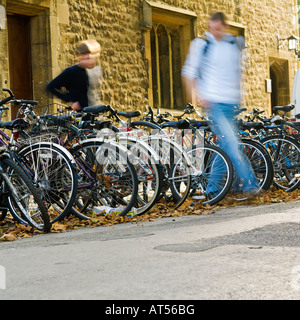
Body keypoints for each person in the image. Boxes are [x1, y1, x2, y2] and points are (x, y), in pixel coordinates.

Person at [182, 11, 259, 195]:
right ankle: (251, 185)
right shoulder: (202, 45)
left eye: (217, 28)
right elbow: (189, 72)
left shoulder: (234, 44)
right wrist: (197, 95)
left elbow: (240, 72)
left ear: (225, 26)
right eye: (211, 28)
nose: (214, 32)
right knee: (232, 143)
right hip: (214, 103)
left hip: (230, 104)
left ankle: (213, 190)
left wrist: (240, 92)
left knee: (225, 145)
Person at [46, 39, 102, 111]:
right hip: (80, 115)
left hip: (94, 112)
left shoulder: (94, 70)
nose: (89, 61)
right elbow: (51, 87)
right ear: (80, 57)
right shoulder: (71, 71)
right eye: (86, 58)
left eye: (90, 58)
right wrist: (70, 100)